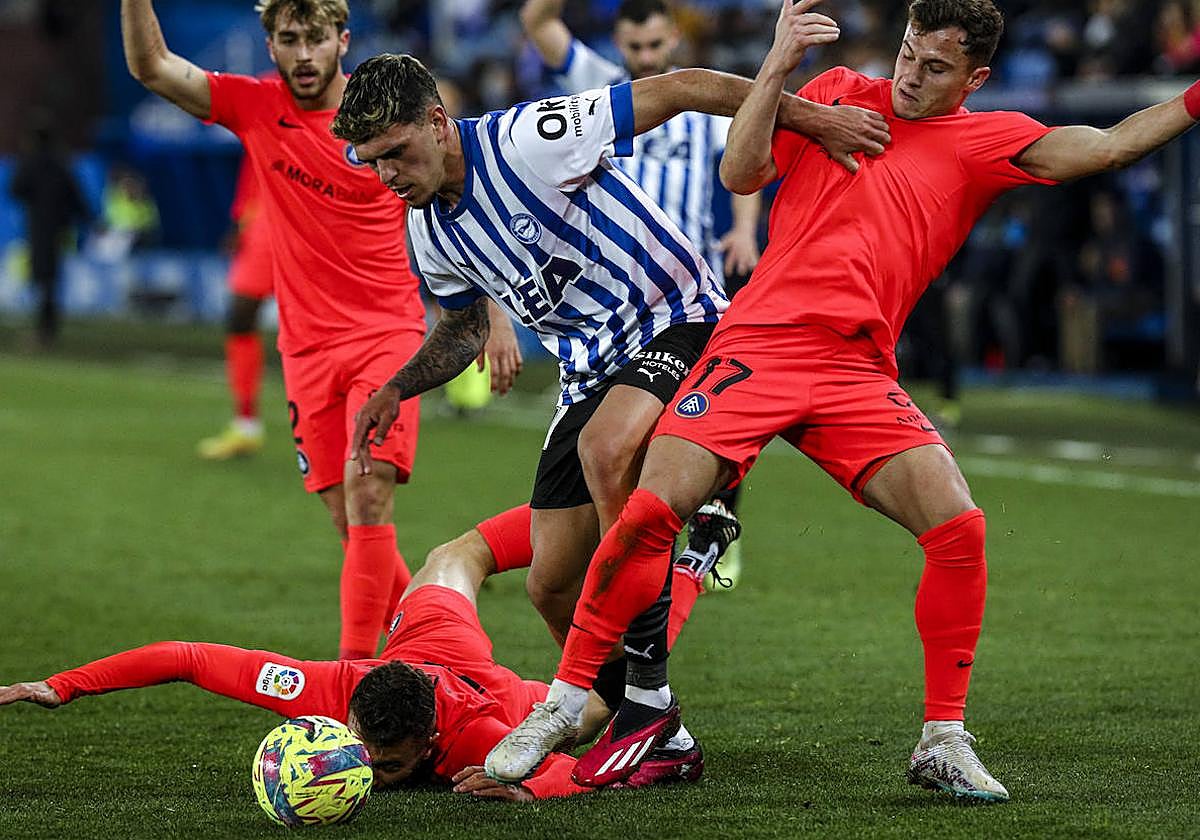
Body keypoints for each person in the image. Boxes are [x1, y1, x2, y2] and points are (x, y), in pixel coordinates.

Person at [489, 0, 1200, 799]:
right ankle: (564, 699)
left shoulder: (985, 139)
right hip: (756, 346)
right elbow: (740, 172)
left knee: (959, 526)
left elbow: (1107, 146)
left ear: (976, 77)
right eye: (906, 54)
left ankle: (943, 739)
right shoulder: (833, 93)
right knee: (653, 508)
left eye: (935, 68)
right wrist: (780, 61)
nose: (910, 76)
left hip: (856, 371)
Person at [335, 51, 887, 773]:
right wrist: (396, 388)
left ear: (438, 123)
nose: (387, 176)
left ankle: (647, 695)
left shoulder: (531, 138)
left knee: (606, 450)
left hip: (679, 319)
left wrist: (816, 120)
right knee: (550, 583)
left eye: (396, 153)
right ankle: (654, 725)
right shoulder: (430, 232)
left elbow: (688, 85)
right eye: (373, 162)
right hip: (588, 368)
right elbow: (465, 326)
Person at [119, 0, 521, 660]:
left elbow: (459, 190)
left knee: (368, 502)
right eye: (288, 39)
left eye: (315, 39)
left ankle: (354, 687)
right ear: (270, 45)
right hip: (305, 349)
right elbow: (152, 66)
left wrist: (492, 312)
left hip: (387, 336)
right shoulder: (252, 104)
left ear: (343, 40)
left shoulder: (383, 112)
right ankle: (449, 657)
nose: (303, 54)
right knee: (353, 524)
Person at [0, 504, 712, 800]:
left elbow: (590, 775)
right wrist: (63, 685)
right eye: (367, 751)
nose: (368, 768)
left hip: (496, 695)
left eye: (390, 763)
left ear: (428, 740)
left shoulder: (481, 742)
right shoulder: (333, 691)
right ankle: (597, 517)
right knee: (456, 554)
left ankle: (678, 555)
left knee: (610, 702)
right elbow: (190, 657)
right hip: (428, 638)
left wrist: (527, 784)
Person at [519, 0, 764, 587]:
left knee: (706, 418)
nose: (646, 59)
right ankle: (637, 545)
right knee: (619, 432)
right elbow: (537, 23)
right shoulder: (597, 90)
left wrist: (745, 228)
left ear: (673, 39)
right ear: (619, 43)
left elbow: (745, 153)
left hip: (690, 291)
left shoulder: (700, 101)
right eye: (635, 49)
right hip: (617, 295)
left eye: (656, 47)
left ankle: (717, 529)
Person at [197, 154, 274, 459]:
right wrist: (241, 220)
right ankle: (246, 424)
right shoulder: (264, 116)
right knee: (239, 316)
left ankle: (351, 415)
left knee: (320, 320)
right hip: (262, 220)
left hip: (308, 212)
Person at [8, 114, 90, 349]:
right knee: (51, 280)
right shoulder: (62, 164)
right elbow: (76, 198)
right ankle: (48, 328)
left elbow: (16, 189)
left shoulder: (31, 162)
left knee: (43, 279)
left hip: (38, 227)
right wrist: (84, 218)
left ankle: (44, 331)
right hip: (59, 229)